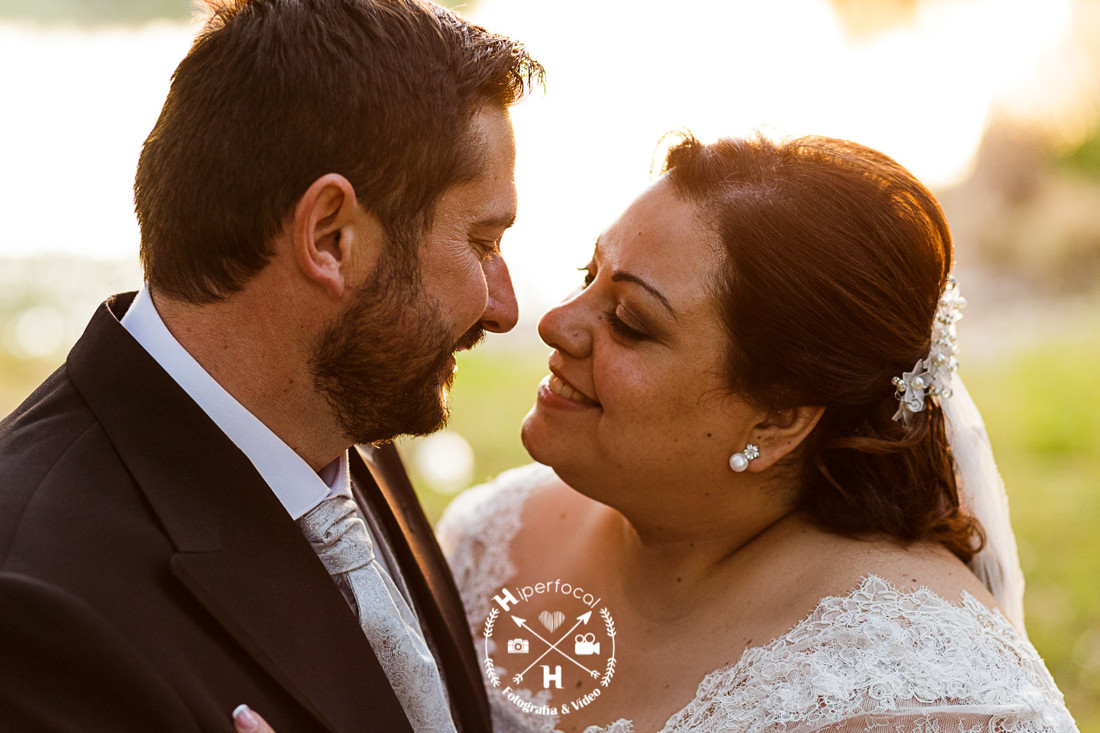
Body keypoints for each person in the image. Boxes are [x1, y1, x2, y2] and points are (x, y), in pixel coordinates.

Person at [0, 0, 541, 730]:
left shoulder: (342, 412)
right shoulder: (35, 606)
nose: (503, 306)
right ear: (329, 236)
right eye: (482, 242)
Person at [433, 135, 1080, 731]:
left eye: (630, 320)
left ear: (779, 419)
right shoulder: (494, 536)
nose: (554, 323)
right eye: (587, 276)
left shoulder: (934, 697)